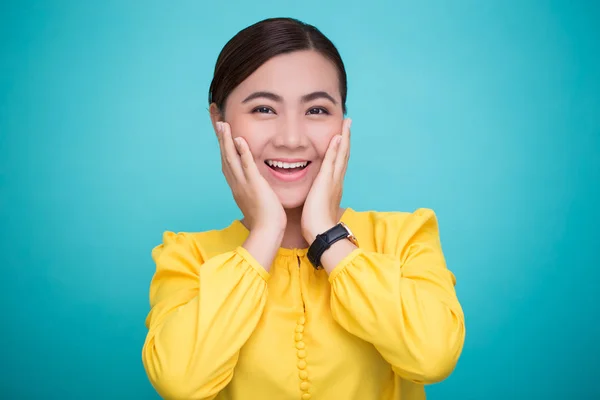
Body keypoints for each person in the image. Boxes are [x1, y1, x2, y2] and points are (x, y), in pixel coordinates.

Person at [141, 17, 465, 400]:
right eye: (263, 109)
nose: (292, 139)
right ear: (219, 122)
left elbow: (432, 358)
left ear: (343, 124)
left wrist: (327, 236)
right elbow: (180, 381)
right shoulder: (186, 257)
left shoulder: (405, 236)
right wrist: (263, 235)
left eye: (316, 111)